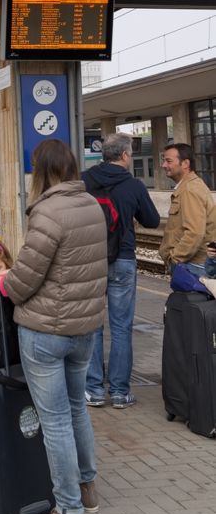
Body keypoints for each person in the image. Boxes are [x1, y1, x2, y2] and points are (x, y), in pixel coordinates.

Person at [0, 139, 106, 514]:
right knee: (78, 410)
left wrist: (5, 282)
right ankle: (88, 487)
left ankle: (69, 513)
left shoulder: (47, 212)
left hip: (45, 333)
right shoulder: (90, 205)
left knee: (54, 420)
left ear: (40, 171)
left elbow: (25, 280)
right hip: (85, 329)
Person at [82, 132, 161, 410]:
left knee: (91, 326)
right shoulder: (133, 185)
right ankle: (119, 392)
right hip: (123, 260)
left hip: (91, 260)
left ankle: (92, 390)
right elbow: (151, 221)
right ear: (125, 156)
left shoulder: (85, 180)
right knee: (121, 327)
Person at [159, 143, 216, 277]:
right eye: (163, 161)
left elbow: (194, 232)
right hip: (194, 264)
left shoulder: (190, 190)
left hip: (193, 265)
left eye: (168, 161)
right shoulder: (188, 187)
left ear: (185, 163)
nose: (164, 165)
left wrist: (175, 259)